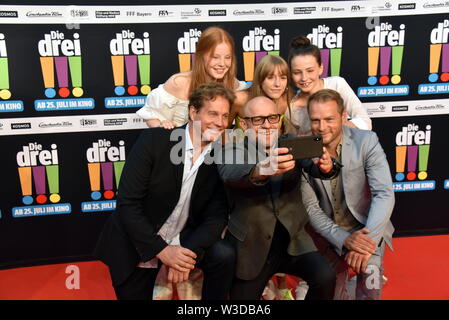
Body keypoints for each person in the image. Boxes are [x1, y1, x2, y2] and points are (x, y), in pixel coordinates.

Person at [95, 83, 236, 300]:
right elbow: (128, 204)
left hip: (183, 239)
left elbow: (216, 216)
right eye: (213, 114)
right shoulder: (155, 141)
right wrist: (163, 251)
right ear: (193, 112)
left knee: (223, 254)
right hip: (139, 241)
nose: (220, 122)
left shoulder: (221, 156)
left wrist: (185, 256)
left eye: (225, 116)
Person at [217, 95, 338, 300]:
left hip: (294, 242)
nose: (267, 125)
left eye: (272, 118)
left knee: (325, 277)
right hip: (252, 248)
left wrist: (327, 166)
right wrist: (262, 169)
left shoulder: (290, 142)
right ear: (244, 124)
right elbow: (230, 173)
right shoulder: (232, 148)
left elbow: (317, 165)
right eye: (258, 120)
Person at [301, 89, 395, 300]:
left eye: (329, 119)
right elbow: (310, 208)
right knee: (330, 292)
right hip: (326, 237)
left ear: (343, 117)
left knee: (370, 289)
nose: (322, 127)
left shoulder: (366, 141)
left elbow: (384, 194)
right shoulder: (303, 150)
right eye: (315, 120)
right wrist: (345, 240)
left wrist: (365, 244)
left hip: (367, 229)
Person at [136, 26, 247, 129]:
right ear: (201, 55)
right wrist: (162, 126)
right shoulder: (178, 83)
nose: (222, 64)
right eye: (215, 57)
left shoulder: (235, 86)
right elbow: (152, 117)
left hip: (216, 148)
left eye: (227, 57)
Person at [286, 36, 372, 135]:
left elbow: (365, 123)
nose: (304, 78)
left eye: (310, 70)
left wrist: (338, 128)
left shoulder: (337, 84)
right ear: (291, 73)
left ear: (321, 68)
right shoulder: (291, 108)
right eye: (297, 72)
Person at [229, 54, 292, 126]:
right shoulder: (239, 100)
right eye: (270, 78)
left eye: (283, 78)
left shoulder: (288, 101)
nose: (277, 84)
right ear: (260, 79)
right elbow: (222, 132)